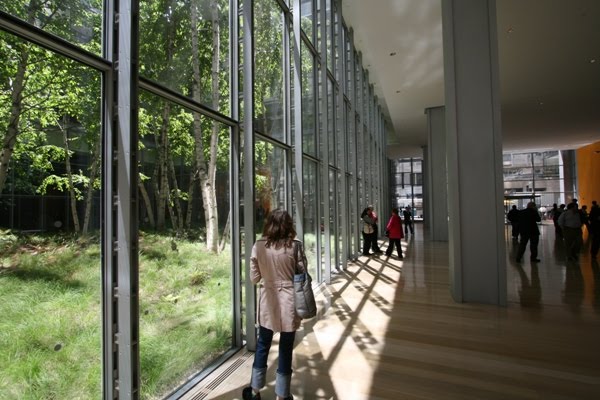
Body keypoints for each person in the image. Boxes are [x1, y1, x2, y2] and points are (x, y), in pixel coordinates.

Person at [243, 209, 304, 400]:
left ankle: (254, 391)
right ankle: (282, 395)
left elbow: (254, 278)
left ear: (268, 224)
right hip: (289, 302)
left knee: (263, 345)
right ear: (289, 225)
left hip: (268, 301)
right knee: (286, 349)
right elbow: (301, 275)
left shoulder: (259, 245)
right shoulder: (295, 246)